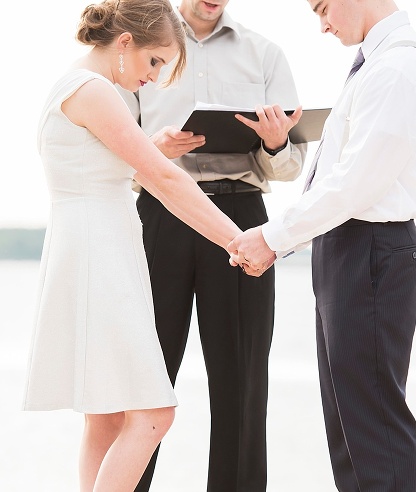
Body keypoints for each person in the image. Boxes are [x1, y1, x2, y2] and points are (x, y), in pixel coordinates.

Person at [229, 1, 416, 490]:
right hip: (348, 246)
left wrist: (273, 238)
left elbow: (356, 183)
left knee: (372, 426)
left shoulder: (398, 67)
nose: (323, 25)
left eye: (323, 7)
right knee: (349, 432)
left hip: (370, 247)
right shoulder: (378, 63)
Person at [21, 2, 245, 491]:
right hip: (97, 254)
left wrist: (151, 148)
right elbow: (162, 178)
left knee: (105, 416)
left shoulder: (81, 86)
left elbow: (105, 164)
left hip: (93, 247)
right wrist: (237, 239)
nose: (155, 77)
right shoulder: (94, 90)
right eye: (154, 62)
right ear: (125, 43)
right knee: (153, 415)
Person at [123, 1, 307, 490]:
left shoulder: (265, 54)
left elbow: (291, 166)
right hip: (162, 214)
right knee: (146, 377)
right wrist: (153, 149)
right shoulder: (145, 48)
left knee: (242, 381)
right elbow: (113, 147)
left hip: (241, 219)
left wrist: (273, 144)